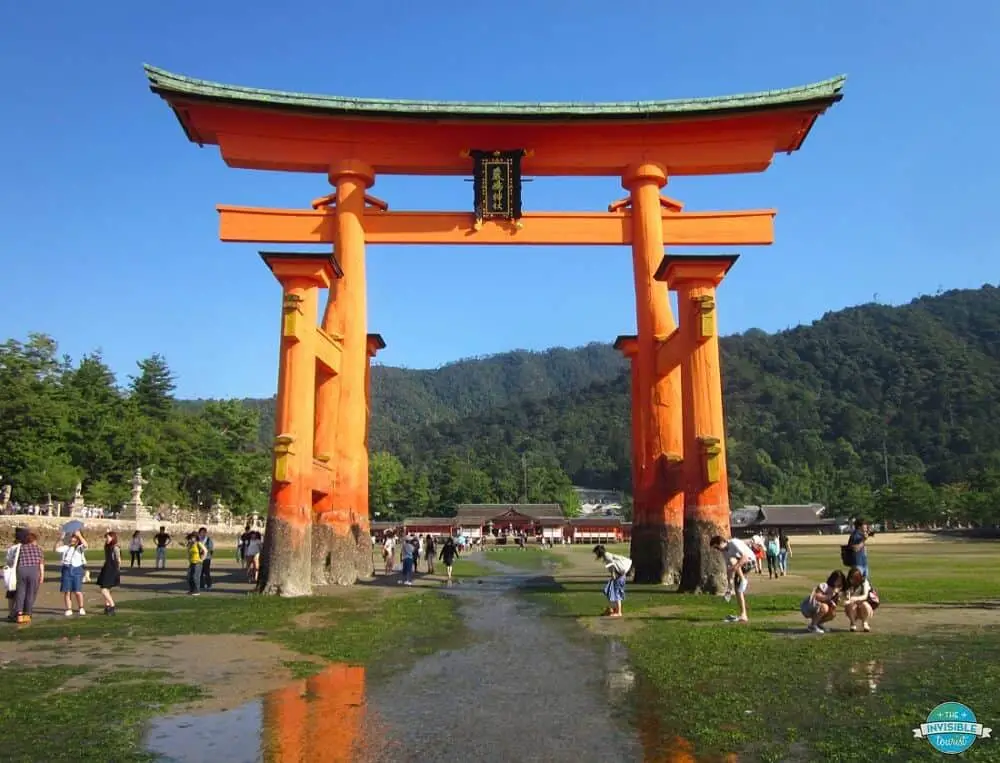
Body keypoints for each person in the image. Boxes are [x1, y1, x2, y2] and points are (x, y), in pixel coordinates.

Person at [711, 535, 755, 624]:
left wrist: (735, 568)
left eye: (717, 547)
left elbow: (745, 557)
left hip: (750, 561)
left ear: (722, 542)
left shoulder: (733, 543)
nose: (718, 550)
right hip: (740, 565)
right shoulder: (724, 552)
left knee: (732, 561)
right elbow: (729, 569)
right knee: (738, 589)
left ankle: (743, 580)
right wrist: (729, 587)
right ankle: (743, 614)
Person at [10, 531, 44, 624]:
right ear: (33, 540)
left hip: (22, 570)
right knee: (31, 593)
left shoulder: (20, 548)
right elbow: (41, 563)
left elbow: (13, 560)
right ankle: (27, 613)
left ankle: (19, 614)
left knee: (21, 592)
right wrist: (42, 575)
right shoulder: (38, 549)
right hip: (33, 570)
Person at [594, 544, 632, 618]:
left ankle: (618, 612)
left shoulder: (607, 556)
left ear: (599, 552)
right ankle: (613, 609)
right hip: (620, 576)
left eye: (596, 552)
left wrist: (613, 574)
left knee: (616, 594)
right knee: (612, 592)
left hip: (619, 577)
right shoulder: (607, 555)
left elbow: (612, 565)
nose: (596, 554)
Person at [55, 530, 88, 616]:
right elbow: (56, 549)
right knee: (67, 591)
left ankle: (81, 607)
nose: (72, 539)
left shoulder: (79, 548)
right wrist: (60, 538)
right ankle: (69, 609)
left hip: (77, 569)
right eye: (72, 537)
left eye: (74, 537)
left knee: (77, 591)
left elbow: (86, 545)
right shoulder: (66, 547)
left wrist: (79, 535)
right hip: (66, 569)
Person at [843, 567, 876, 632]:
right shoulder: (848, 585)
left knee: (864, 604)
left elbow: (865, 596)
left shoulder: (864, 582)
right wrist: (848, 598)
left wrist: (854, 598)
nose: (852, 580)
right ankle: (853, 623)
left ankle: (865, 623)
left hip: (865, 608)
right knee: (850, 604)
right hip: (853, 609)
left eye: (854, 578)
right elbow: (847, 597)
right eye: (851, 578)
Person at [96, 531, 122, 615]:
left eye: (108, 537)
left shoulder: (115, 547)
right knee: (106, 589)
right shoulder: (107, 546)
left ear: (112, 538)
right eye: (106, 537)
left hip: (112, 569)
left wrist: (117, 571)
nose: (106, 539)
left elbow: (118, 560)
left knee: (104, 590)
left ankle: (112, 605)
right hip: (106, 568)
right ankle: (107, 607)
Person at [4, 527, 27, 619]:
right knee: (22, 593)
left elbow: (8, 561)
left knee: (11, 593)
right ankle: (20, 612)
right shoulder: (25, 547)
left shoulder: (12, 548)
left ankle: (11, 613)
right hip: (22, 572)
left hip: (13, 573)